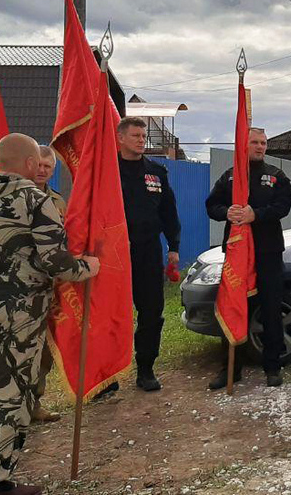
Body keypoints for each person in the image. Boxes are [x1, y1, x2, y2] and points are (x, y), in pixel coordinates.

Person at [0, 133, 99, 495]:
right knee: (11, 391)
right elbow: (53, 261)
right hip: (21, 311)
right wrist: (87, 267)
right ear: (31, 163)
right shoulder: (34, 199)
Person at [205, 127, 291, 389]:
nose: (259, 147)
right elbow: (211, 206)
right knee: (233, 306)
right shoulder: (231, 176)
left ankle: (272, 366)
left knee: (270, 308)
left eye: (263, 143)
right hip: (237, 254)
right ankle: (231, 368)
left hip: (268, 251)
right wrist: (227, 212)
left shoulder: (275, 176)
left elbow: (284, 206)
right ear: (243, 145)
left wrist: (257, 214)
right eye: (254, 142)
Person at [116, 117, 181, 392]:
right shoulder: (106, 169)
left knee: (151, 311)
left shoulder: (156, 171)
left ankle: (145, 368)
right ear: (120, 138)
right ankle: (106, 375)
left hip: (148, 250)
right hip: (114, 253)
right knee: (111, 314)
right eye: (135, 135)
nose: (142, 140)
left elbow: (168, 211)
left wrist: (174, 247)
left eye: (143, 136)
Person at [27, 146, 66, 423]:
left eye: (47, 167)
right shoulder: (14, 198)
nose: (42, 171)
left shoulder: (58, 202)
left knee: (44, 351)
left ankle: (34, 402)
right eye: (38, 165)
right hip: (20, 288)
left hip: (49, 287)